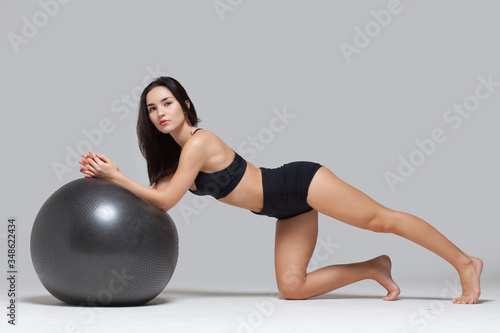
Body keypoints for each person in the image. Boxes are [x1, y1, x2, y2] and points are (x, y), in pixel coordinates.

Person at [79, 76, 482, 304]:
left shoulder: (200, 144)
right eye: (151, 109)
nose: (160, 113)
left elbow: (165, 199)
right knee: (293, 288)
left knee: (380, 220)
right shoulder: (177, 157)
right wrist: (107, 179)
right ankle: (374, 269)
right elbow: (156, 202)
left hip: (298, 183)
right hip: (282, 209)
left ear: (184, 104)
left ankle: (465, 263)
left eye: (166, 103)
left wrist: (115, 176)